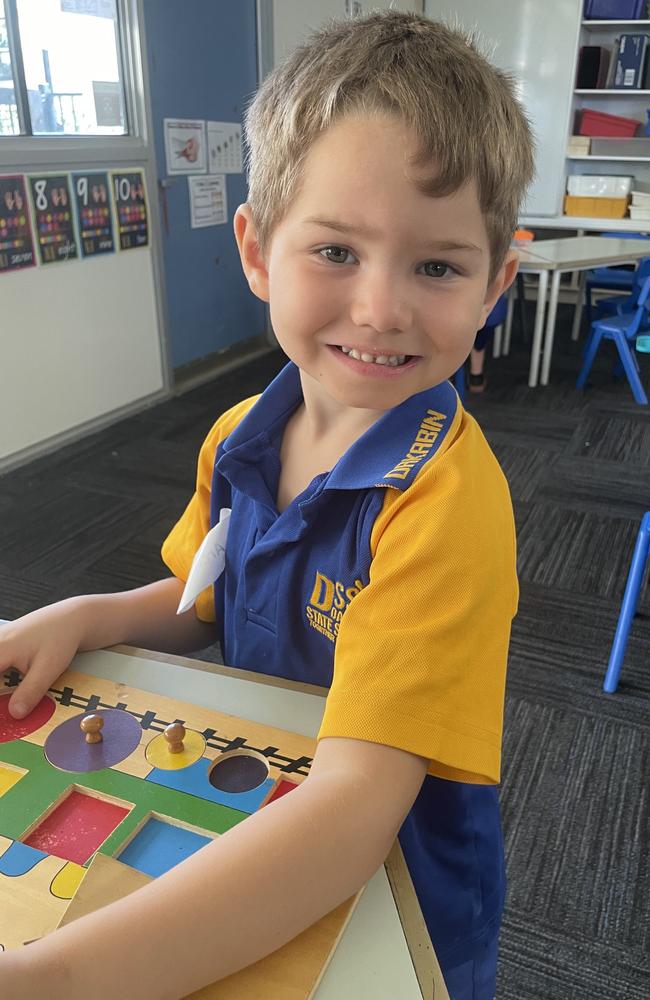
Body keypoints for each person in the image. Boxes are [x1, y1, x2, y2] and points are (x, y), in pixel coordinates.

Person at [0, 11, 534, 1000]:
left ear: (494, 282)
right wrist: (90, 615)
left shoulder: (444, 502)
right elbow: (204, 590)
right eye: (335, 251)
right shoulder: (243, 429)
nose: (379, 308)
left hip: (396, 903)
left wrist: (54, 980)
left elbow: (352, 814)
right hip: (244, 819)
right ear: (255, 250)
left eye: (436, 266)